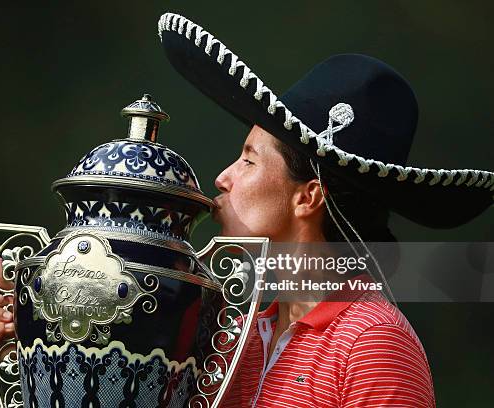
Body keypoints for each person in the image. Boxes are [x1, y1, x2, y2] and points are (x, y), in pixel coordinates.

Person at [157, 12, 493, 407]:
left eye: (249, 161)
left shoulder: (372, 344)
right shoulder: (235, 340)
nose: (223, 178)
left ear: (308, 196)